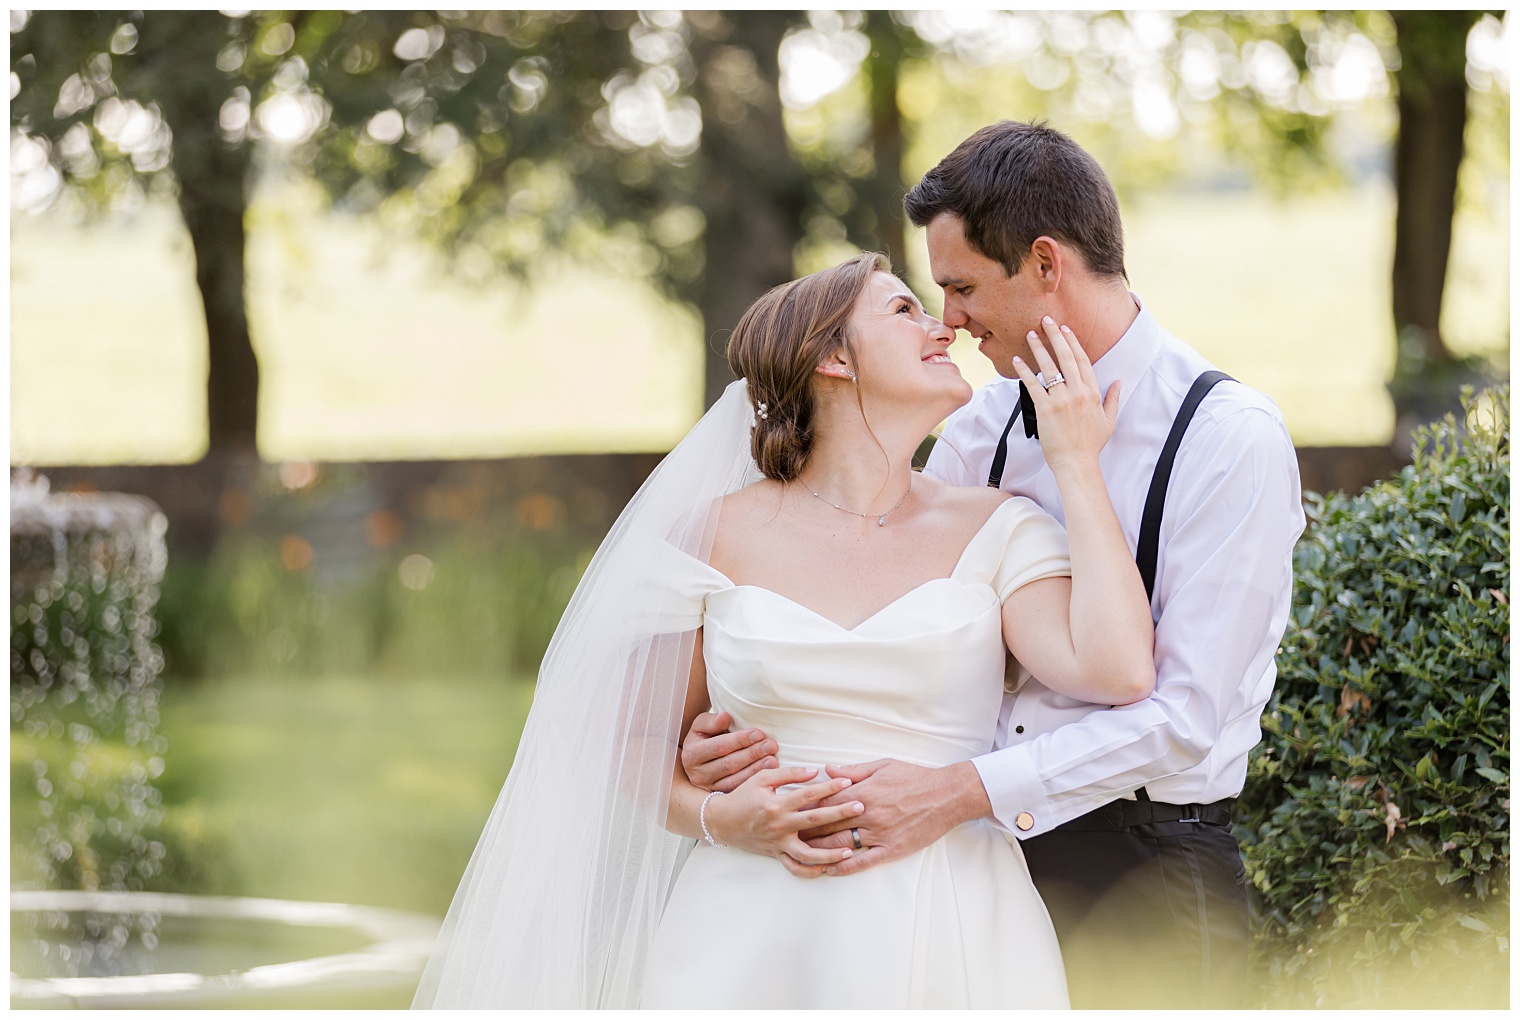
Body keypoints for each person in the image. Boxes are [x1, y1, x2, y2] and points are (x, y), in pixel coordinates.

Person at [413, 251, 1157, 1008]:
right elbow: (632, 740)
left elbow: (1117, 669)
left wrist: (1077, 465)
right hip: (745, 921)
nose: (944, 326)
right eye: (904, 311)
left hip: (951, 909)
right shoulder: (710, 536)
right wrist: (719, 815)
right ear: (833, 357)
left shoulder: (999, 527)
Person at [681, 121, 1307, 1009]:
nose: (952, 322)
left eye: (964, 288)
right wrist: (736, 724)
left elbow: (1185, 714)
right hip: (972, 865)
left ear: (1046, 266)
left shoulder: (1224, 438)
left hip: (1140, 870)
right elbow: (907, 604)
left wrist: (960, 791)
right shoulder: (982, 426)